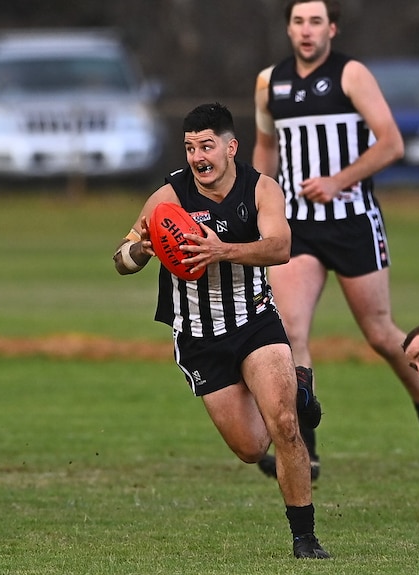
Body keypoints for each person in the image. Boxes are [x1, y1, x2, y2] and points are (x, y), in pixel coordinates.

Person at [113, 102, 329, 559]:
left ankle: (305, 538)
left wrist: (221, 249)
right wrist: (142, 252)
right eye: (190, 147)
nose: (197, 157)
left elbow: (280, 247)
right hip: (199, 337)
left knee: (285, 426)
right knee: (252, 448)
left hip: (254, 321)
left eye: (206, 145)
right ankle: (300, 392)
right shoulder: (167, 198)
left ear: (230, 147)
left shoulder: (261, 189)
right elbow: (121, 259)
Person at [252, 0, 419, 480]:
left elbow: (390, 142)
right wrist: (257, 209)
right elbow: (266, 151)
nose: (307, 31)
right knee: (290, 333)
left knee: (381, 335)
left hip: (352, 223)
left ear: (333, 28)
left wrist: (338, 180)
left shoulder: (351, 74)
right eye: (298, 22)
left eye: (316, 22)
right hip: (297, 227)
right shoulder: (270, 82)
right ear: (288, 28)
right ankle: (304, 444)